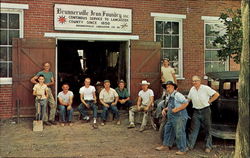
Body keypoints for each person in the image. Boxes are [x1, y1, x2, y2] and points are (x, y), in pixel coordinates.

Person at [187, 76, 220, 153]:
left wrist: (210, 101)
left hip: (205, 110)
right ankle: (190, 145)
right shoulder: (192, 89)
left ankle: (208, 146)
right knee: (193, 129)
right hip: (196, 111)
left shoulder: (205, 88)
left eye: (196, 81)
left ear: (200, 81)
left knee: (208, 129)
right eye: (193, 81)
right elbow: (188, 99)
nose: (194, 82)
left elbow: (216, 94)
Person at [155, 81, 189, 155]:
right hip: (171, 117)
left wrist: (177, 109)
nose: (168, 88)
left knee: (179, 133)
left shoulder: (178, 95)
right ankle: (166, 145)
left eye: (169, 87)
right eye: (167, 87)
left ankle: (183, 149)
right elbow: (170, 106)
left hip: (180, 116)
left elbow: (186, 103)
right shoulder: (169, 96)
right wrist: (165, 109)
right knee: (168, 130)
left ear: (173, 87)